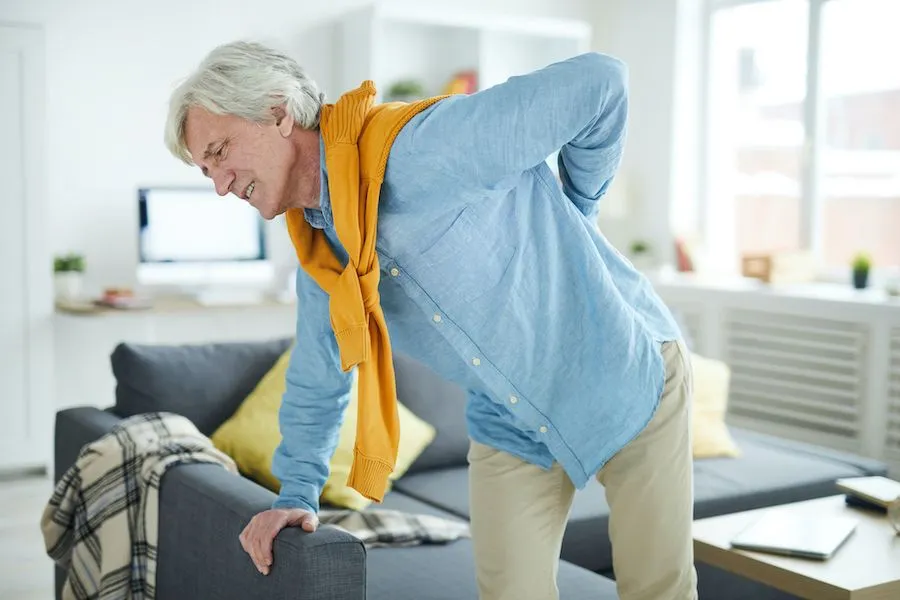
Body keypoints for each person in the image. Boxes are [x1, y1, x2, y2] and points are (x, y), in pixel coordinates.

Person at [164, 40, 698, 600]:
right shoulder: (322, 252)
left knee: (656, 590)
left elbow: (601, 82)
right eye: (207, 172)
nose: (221, 184)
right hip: (510, 421)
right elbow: (320, 376)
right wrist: (297, 496)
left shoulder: (425, 146)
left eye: (220, 152)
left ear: (277, 112)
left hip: (623, 372)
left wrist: (578, 210)